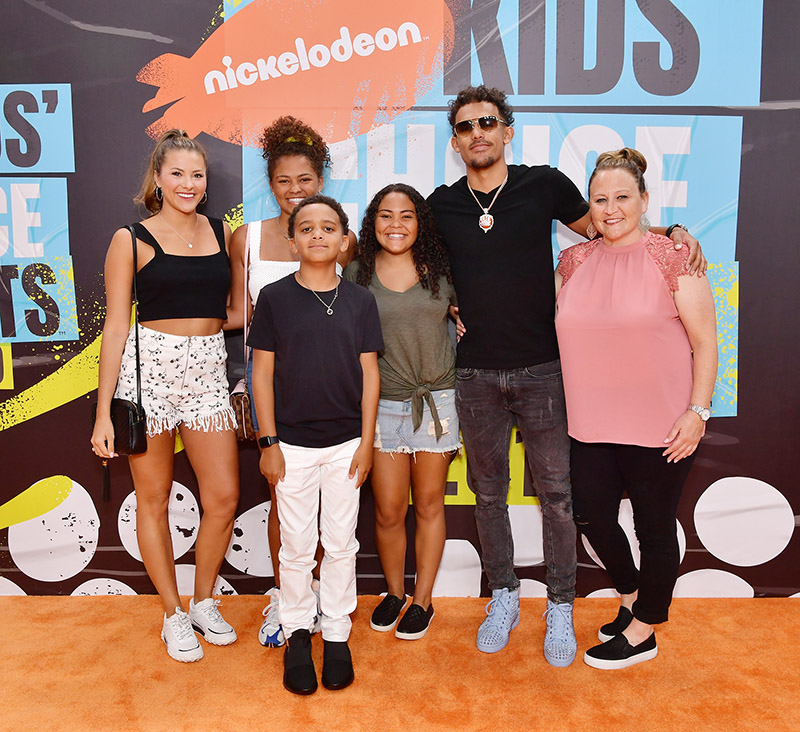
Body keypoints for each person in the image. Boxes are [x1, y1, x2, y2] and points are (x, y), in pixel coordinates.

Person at [426, 85, 706, 666]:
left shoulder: (545, 184)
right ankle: (502, 596)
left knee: (560, 498)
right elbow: (407, 260)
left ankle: (559, 604)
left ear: (507, 130)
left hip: (544, 374)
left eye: (488, 121)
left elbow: (612, 225)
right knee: (489, 496)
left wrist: (675, 234)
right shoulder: (441, 204)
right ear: (455, 141)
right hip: (475, 373)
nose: (477, 132)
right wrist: (444, 304)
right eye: (464, 126)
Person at [555, 148, 717, 669]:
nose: (611, 208)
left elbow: (707, 343)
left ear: (644, 200)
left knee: (653, 526)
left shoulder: (673, 256)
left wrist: (698, 411)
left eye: (623, 196)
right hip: (588, 423)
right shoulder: (573, 260)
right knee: (592, 517)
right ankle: (631, 599)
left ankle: (646, 628)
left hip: (662, 425)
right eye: (600, 199)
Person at [91, 130, 239, 663]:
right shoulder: (129, 239)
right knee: (152, 501)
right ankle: (173, 614)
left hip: (206, 374)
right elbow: (113, 327)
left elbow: (235, 311)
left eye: (197, 175)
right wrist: (105, 410)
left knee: (222, 496)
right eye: (177, 173)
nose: (188, 183)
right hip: (147, 375)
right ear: (157, 178)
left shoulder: (225, 233)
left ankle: (203, 600)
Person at [226, 116, 353, 648]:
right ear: (270, 183)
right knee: (286, 501)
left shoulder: (340, 240)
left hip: (328, 388)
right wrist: (164, 316)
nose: (295, 191)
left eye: (305, 180)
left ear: (320, 181)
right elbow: (236, 312)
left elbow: (358, 309)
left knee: (330, 508)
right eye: (284, 181)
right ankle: (286, 595)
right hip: (266, 385)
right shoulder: (245, 238)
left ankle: (323, 596)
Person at [249, 194, 382, 694]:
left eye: (329, 227)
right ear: (293, 240)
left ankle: (338, 633)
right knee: (298, 547)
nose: (319, 235)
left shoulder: (361, 301)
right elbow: (261, 373)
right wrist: (269, 440)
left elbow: (370, 375)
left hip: (348, 443)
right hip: (293, 446)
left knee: (342, 543)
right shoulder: (276, 298)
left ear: (345, 239)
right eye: (307, 228)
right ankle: (299, 634)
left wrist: (367, 443)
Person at [344, 184, 460, 640]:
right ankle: (394, 593)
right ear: (373, 222)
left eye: (406, 215)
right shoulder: (356, 272)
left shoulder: (441, 272)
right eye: (386, 215)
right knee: (390, 510)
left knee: (430, 505)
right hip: (381, 405)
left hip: (438, 402)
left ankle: (423, 600)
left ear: (421, 222)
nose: (396, 224)